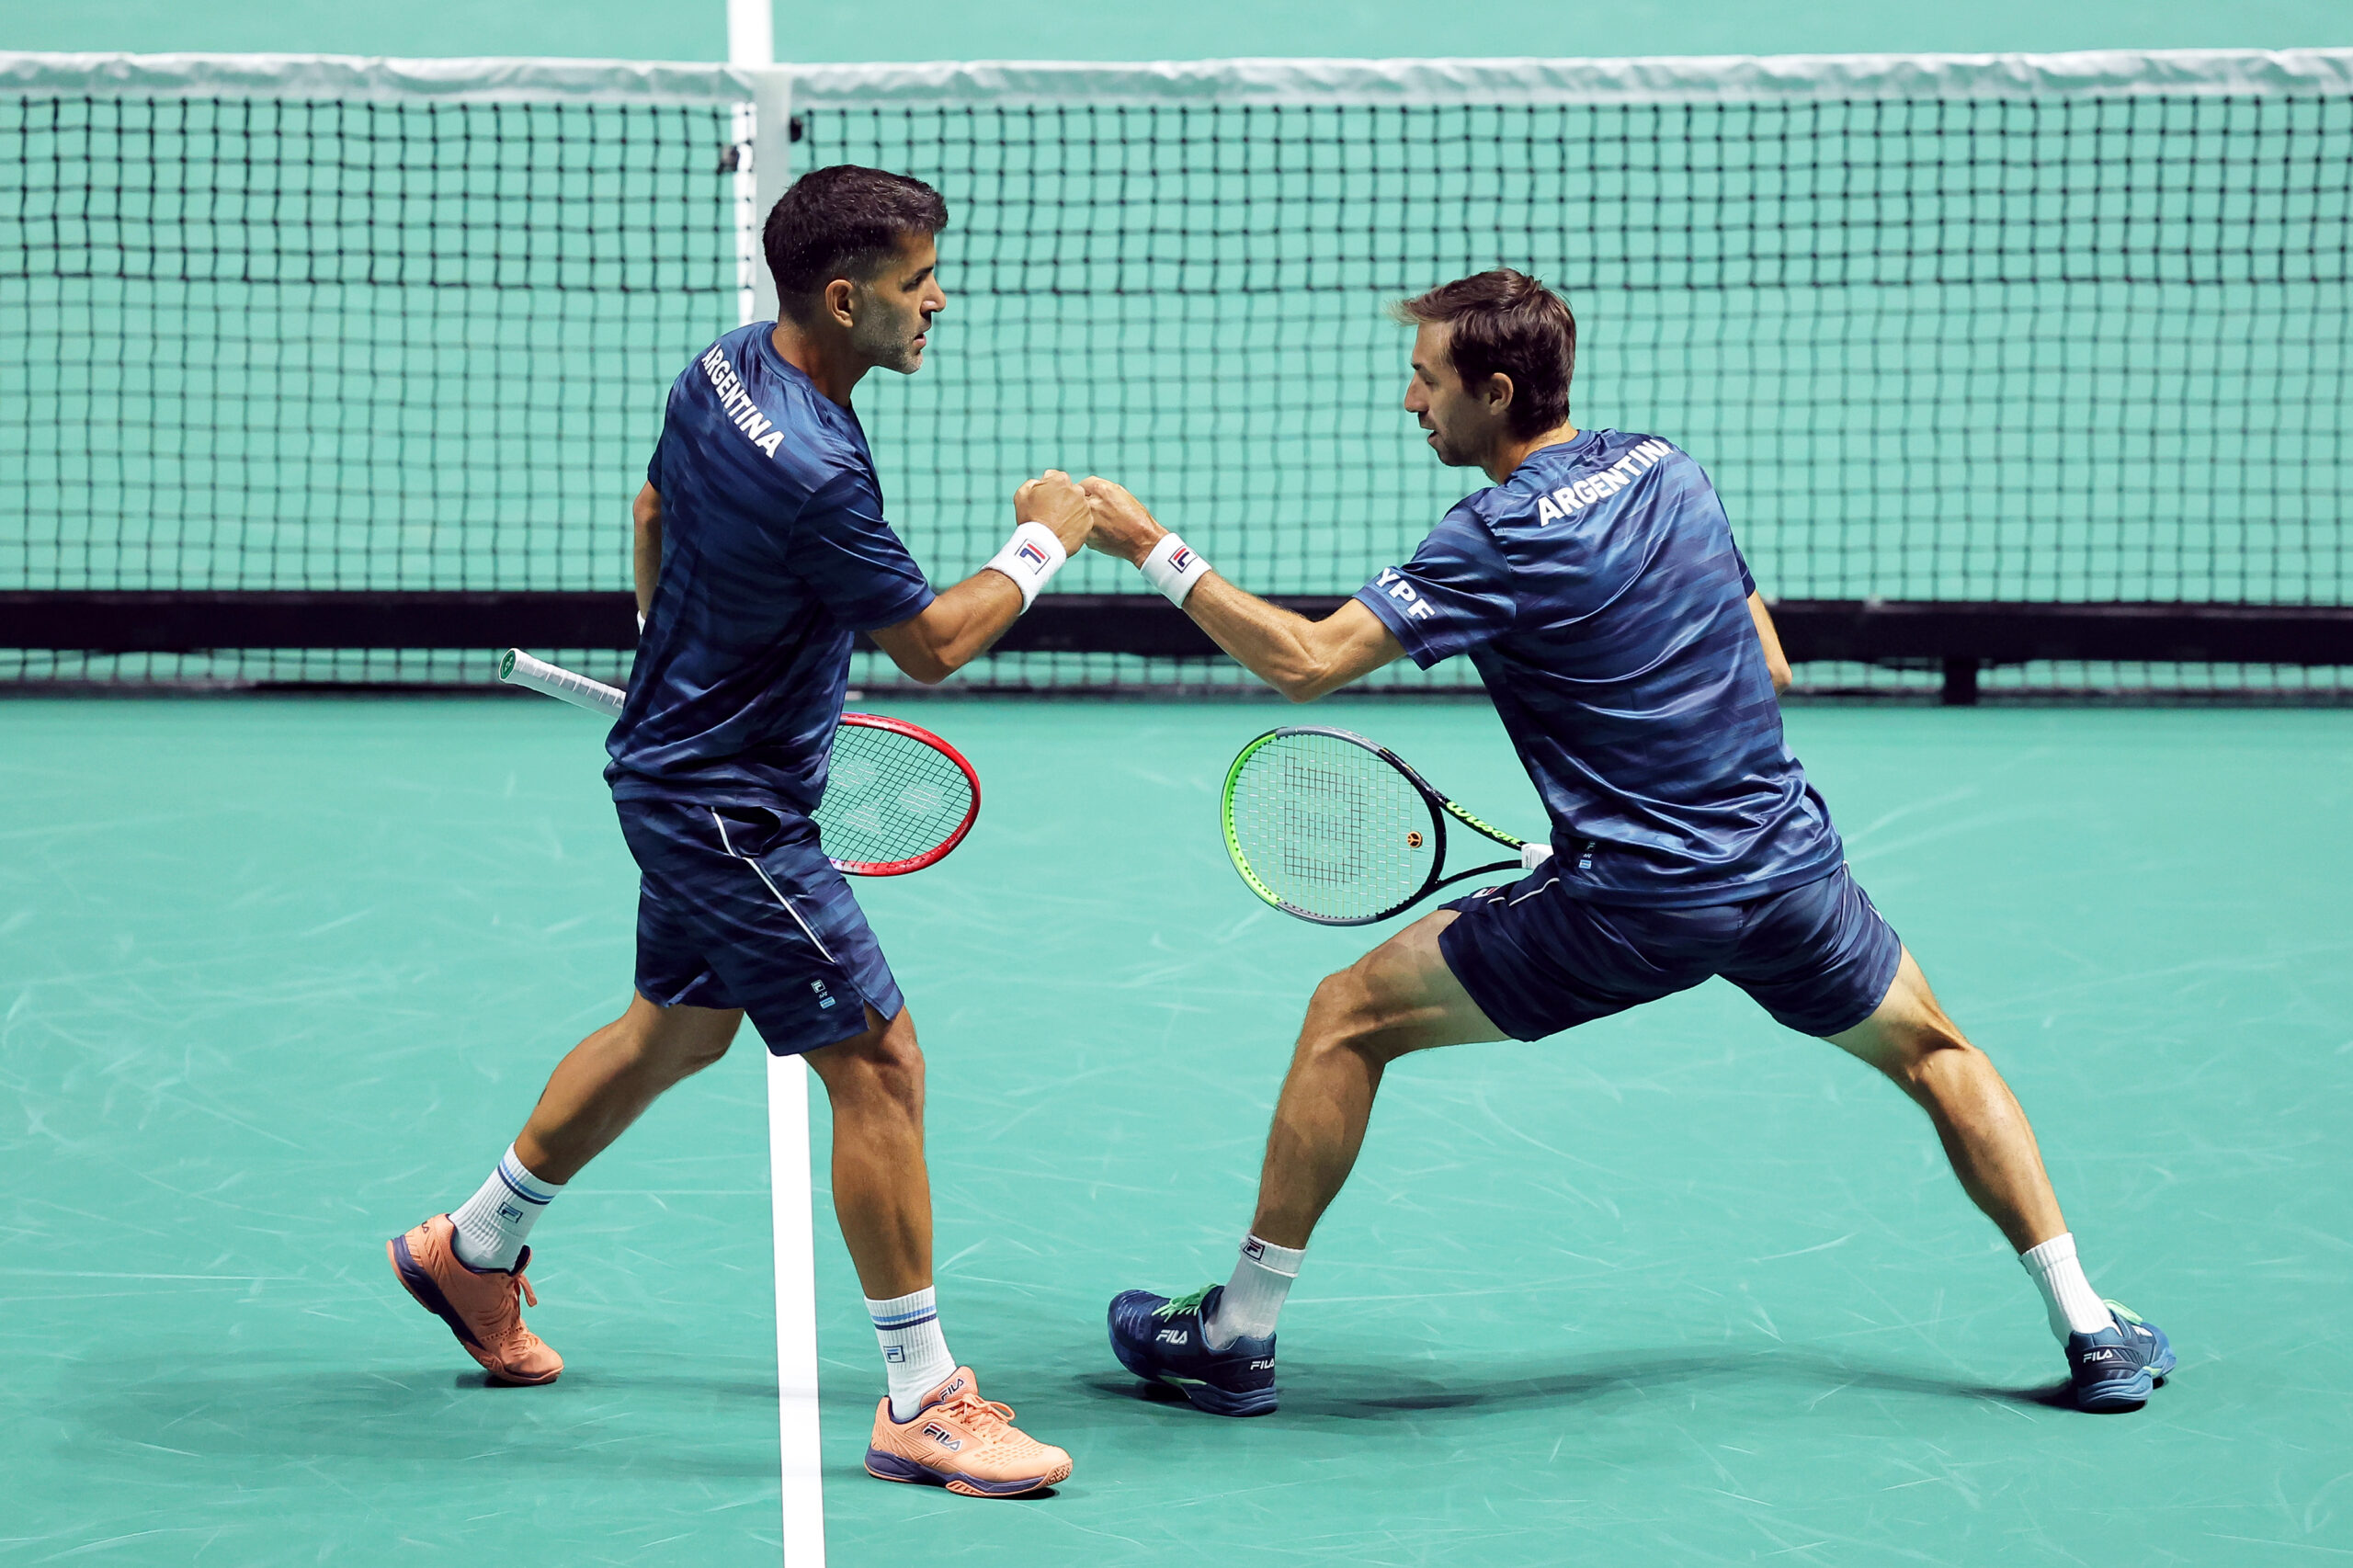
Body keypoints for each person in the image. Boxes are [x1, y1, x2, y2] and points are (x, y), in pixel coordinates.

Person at [1078, 268, 2173, 1418]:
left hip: (1638, 902)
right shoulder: (1667, 465)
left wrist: (1150, 543)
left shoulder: (1489, 538)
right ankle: (2092, 1328)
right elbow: (1771, 663)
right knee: (1938, 1052)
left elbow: (1302, 661)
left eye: (1425, 379)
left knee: (1345, 1016)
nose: (1410, 402)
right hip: (1787, 869)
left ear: (1495, 393)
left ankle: (1233, 1334)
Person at [388, 165, 1095, 1498]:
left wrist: (674, 652)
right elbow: (936, 644)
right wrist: (1043, 539)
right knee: (879, 1063)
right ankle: (923, 1400)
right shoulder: (824, 470)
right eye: (913, 283)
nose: (937, 301)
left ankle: (468, 1252)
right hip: (730, 809)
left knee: (675, 1029)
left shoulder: (721, 366)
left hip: (671, 759)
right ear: (843, 297)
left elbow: (655, 513)